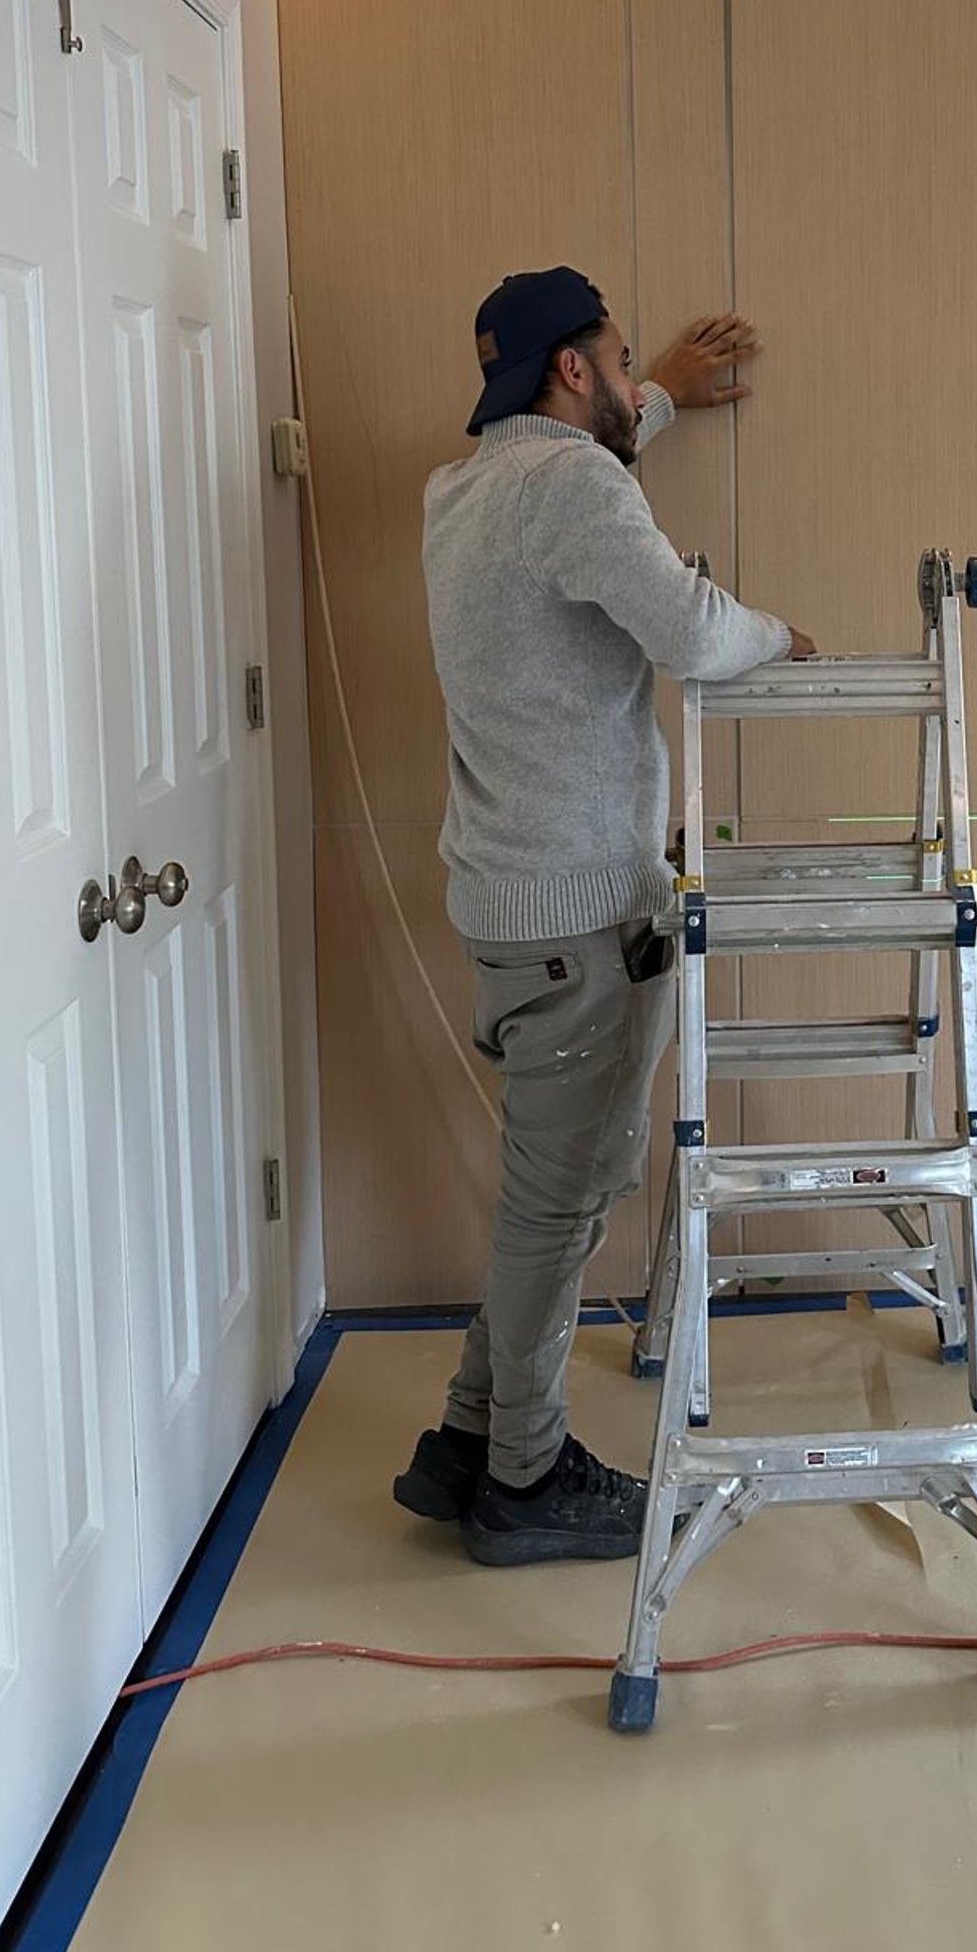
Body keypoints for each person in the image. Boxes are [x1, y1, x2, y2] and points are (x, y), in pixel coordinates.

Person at [394, 268, 812, 1564]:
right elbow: (686, 629)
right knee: (557, 1201)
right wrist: (780, 636)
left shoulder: (461, 492)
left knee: (555, 1192)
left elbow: (573, 483)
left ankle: (468, 1438)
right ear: (573, 371)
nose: (635, 383)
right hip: (577, 917)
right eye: (621, 362)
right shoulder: (574, 489)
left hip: (519, 901)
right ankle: (521, 1478)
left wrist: (668, 391)